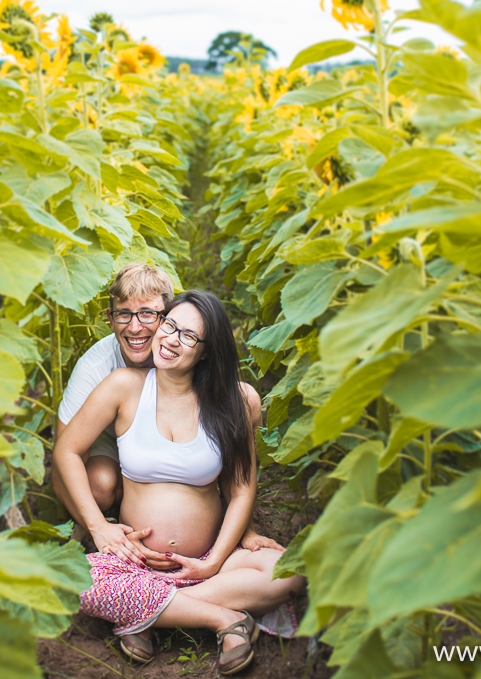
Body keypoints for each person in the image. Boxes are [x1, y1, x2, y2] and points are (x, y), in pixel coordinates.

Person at [55, 290, 304, 675]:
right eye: (169, 325)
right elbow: (67, 450)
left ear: (206, 352)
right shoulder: (124, 386)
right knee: (78, 581)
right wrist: (99, 527)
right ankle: (223, 618)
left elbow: (241, 489)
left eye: (188, 336)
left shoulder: (231, 401)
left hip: (211, 561)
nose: (171, 339)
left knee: (290, 572)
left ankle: (144, 613)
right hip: (136, 563)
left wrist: (214, 561)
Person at [51, 264, 279, 554]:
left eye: (147, 314)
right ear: (110, 318)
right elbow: (65, 453)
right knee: (101, 485)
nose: (135, 327)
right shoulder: (100, 371)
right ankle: (114, 520)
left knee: (246, 403)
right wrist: (97, 528)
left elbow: (238, 473)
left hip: (201, 536)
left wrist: (245, 530)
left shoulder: (176, 349)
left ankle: (228, 518)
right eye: (124, 314)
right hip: (106, 441)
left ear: (166, 316)